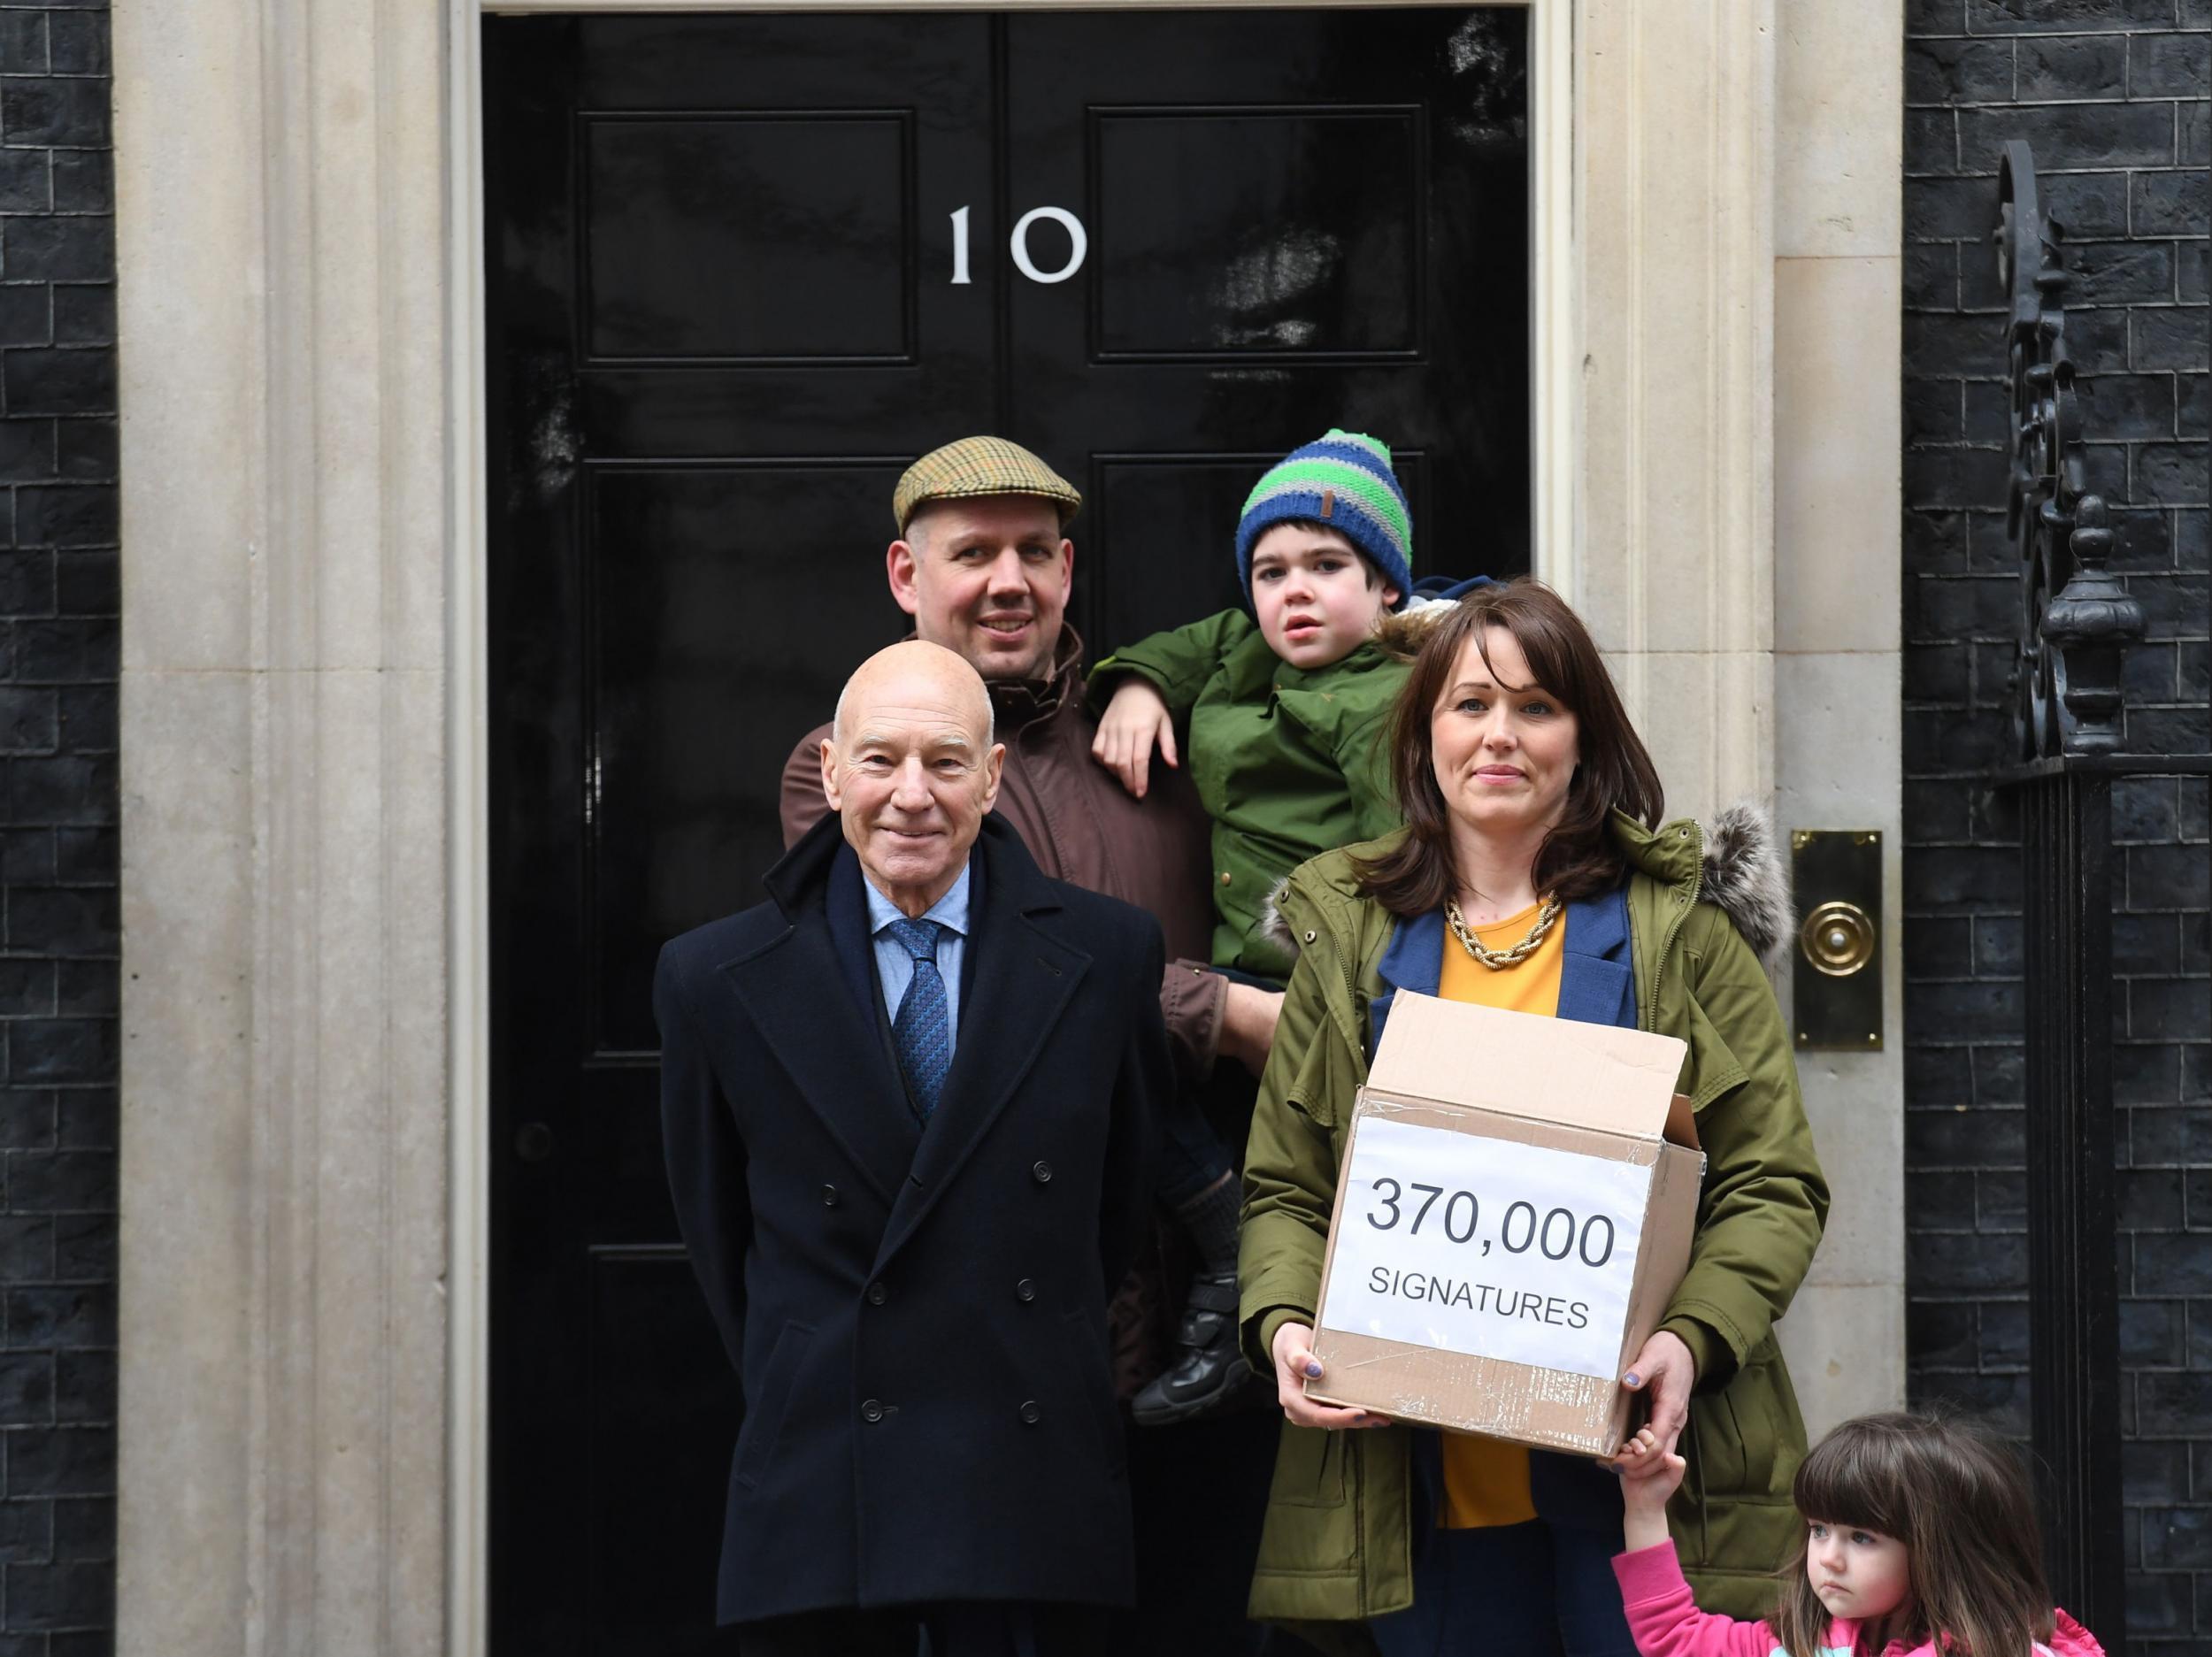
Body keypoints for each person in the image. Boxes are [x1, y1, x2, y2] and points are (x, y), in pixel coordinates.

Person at [1238, 578, 1830, 1654]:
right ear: (1422, 737)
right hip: (1416, 1480)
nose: (1498, 735)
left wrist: (1690, 1343)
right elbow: (1285, 1187)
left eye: (1536, 705)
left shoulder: (1681, 935)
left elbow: (1772, 1185)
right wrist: (1283, 1326)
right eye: (1469, 705)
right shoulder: (1351, 934)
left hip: (1639, 1489)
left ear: (1582, 736)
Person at [776, 438, 1283, 1654]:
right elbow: (1010, 983)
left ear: (1069, 572)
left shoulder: (1166, 752)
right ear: (907, 573)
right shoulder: (842, 774)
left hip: (1225, 1309)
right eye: (973, 555)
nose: (1008, 581)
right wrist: (1231, 1017)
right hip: (1001, 1350)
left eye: (1035, 553)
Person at [657, 641, 1167, 1655]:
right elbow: (720, 1241)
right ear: (832, 773)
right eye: (880, 760)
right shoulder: (713, 978)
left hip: (1030, 1474)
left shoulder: (1109, 955)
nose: (911, 796)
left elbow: (1120, 1206)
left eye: (944, 761)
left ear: (992, 778)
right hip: (823, 1474)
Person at [1614, 1411, 2104, 1657]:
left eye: (1862, 1538)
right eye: (1820, 1530)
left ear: (1941, 1550)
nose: (1829, 1558)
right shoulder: (1796, 1646)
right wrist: (1644, 1508)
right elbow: (1676, 1638)